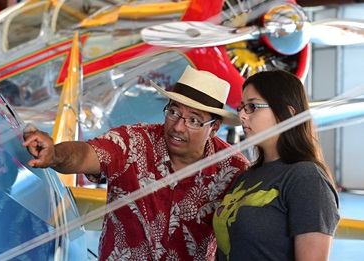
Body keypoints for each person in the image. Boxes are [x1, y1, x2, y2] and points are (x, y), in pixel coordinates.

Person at [22, 65, 250, 260]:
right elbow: (85, 155)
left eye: (193, 120)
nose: (178, 126)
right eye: (173, 111)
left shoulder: (235, 171)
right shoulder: (133, 141)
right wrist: (55, 155)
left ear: (214, 129)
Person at [213, 70, 340, 260]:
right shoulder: (246, 176)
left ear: (287, 114)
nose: (241, 115)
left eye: (252, 106)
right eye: (241, 107)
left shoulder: (307, 179)